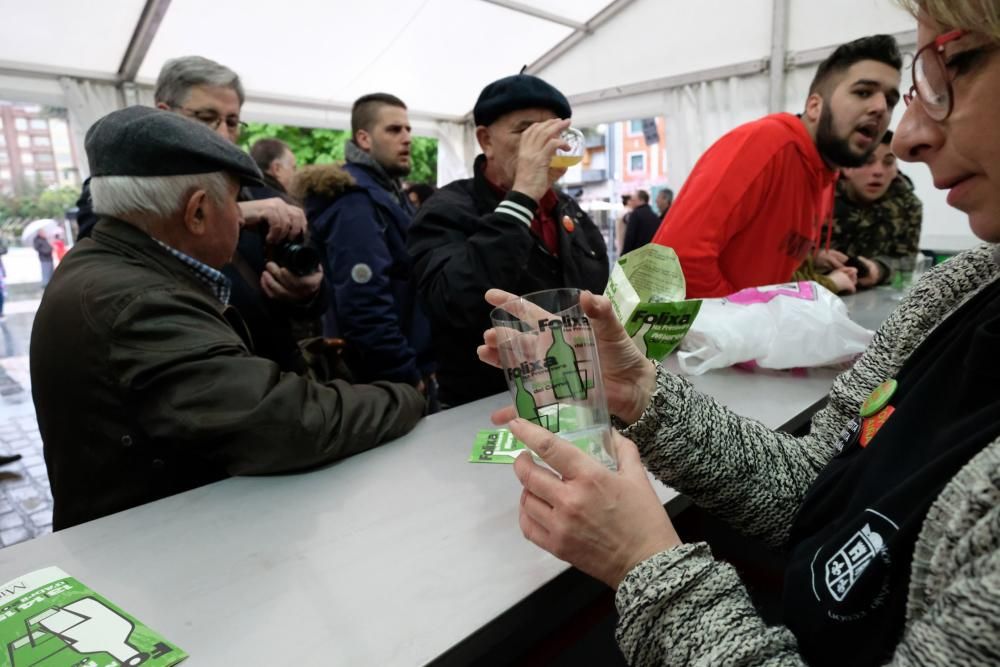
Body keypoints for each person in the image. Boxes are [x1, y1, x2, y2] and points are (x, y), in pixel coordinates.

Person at [478, 2, 1000, 662]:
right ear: (812, 105)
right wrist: (647, 388)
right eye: (872, 90)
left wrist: (649, 561)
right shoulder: (963, 287)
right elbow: (822, 481)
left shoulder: (829, 185)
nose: (902, 129)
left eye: (942, 73)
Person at [31, 107, 425, 530]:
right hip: (157, 556)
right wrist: (405, 397)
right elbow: (285, 422)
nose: (244, 217)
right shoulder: (142, 302)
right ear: (198, 212)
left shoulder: (102, 263)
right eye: (236, 201)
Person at [408, 73, 609, 408]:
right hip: (486, 407)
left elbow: (596, 296)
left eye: (554, 132)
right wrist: (522, 196)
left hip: (576, 397)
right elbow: (452, 305)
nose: (547, 144)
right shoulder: (447, 209)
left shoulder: (568, 210)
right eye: (527, 131)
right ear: (486, 140)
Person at [653, 35, 902, 298]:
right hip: (694, 335)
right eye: (863, 92)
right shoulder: (765, 144)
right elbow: (676, 261)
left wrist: (814, 264)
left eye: (891, 100)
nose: (880, 108)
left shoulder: (824, 175)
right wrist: (746, 322)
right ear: (815, 106)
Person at [294, 93, 435, 395]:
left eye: (408, 129)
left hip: (404, 365)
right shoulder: (354, 200)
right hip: (383, 379)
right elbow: (364, 303)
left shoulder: (386, 193)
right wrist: (403, 373)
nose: (407, 138)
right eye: (394, 130)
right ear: (364, 138)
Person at [829, 129, 924, 287]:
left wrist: (879, 270)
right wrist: (816, 259)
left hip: (874, 297)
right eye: (868, 161)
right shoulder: (821, 197)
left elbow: (908, 260)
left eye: (888, 162)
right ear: (847, 167)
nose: (878, 172)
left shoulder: (907, 205)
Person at [621, 189, 661, 254]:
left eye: (634, 200)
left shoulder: (635, 214)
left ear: (641, 200)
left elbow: (630, 237)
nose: (632, 202)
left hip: (637, 256)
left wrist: (623, 255)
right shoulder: (655, 216)